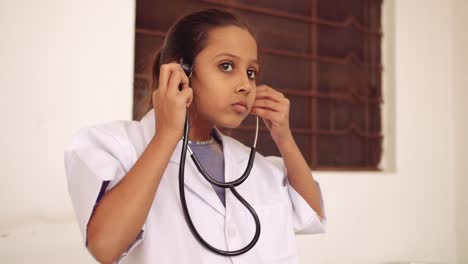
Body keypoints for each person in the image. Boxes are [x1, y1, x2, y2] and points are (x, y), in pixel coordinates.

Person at [64, 8, 326, 264]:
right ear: (182, 71)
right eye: (226, 66)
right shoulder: (114, 145)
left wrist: (285, 139)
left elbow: (311, 214)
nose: (245, 85)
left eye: (251, 72)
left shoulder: (253, 164)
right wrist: (166, 136)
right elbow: (105, 247)